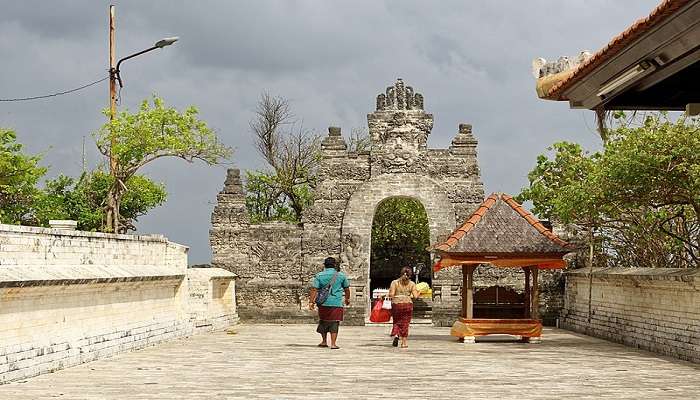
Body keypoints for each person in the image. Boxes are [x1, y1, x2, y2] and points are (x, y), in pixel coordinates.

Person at [309, 257, 350, 349]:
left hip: (323, 303)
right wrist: (347, 299)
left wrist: (311, 302)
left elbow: (314, 289)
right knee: (334, 322)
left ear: (324, 265)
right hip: (336, 302)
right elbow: (346, 289)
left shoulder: (319, 275)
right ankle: (333, 343)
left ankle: (324, 341)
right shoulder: (341, 276)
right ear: (335, 265)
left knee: (323, 321)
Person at [387, 266, 421, 348]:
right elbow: (415, 296)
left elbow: (391, 294)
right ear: (410, 275)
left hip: (396, 304)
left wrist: (387, 293)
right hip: (407, 304)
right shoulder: (412, 284)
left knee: (397, 321)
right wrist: (419, 292)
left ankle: (396, 335)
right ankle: (404, 343)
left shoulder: (394, 282)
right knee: (405, 323)